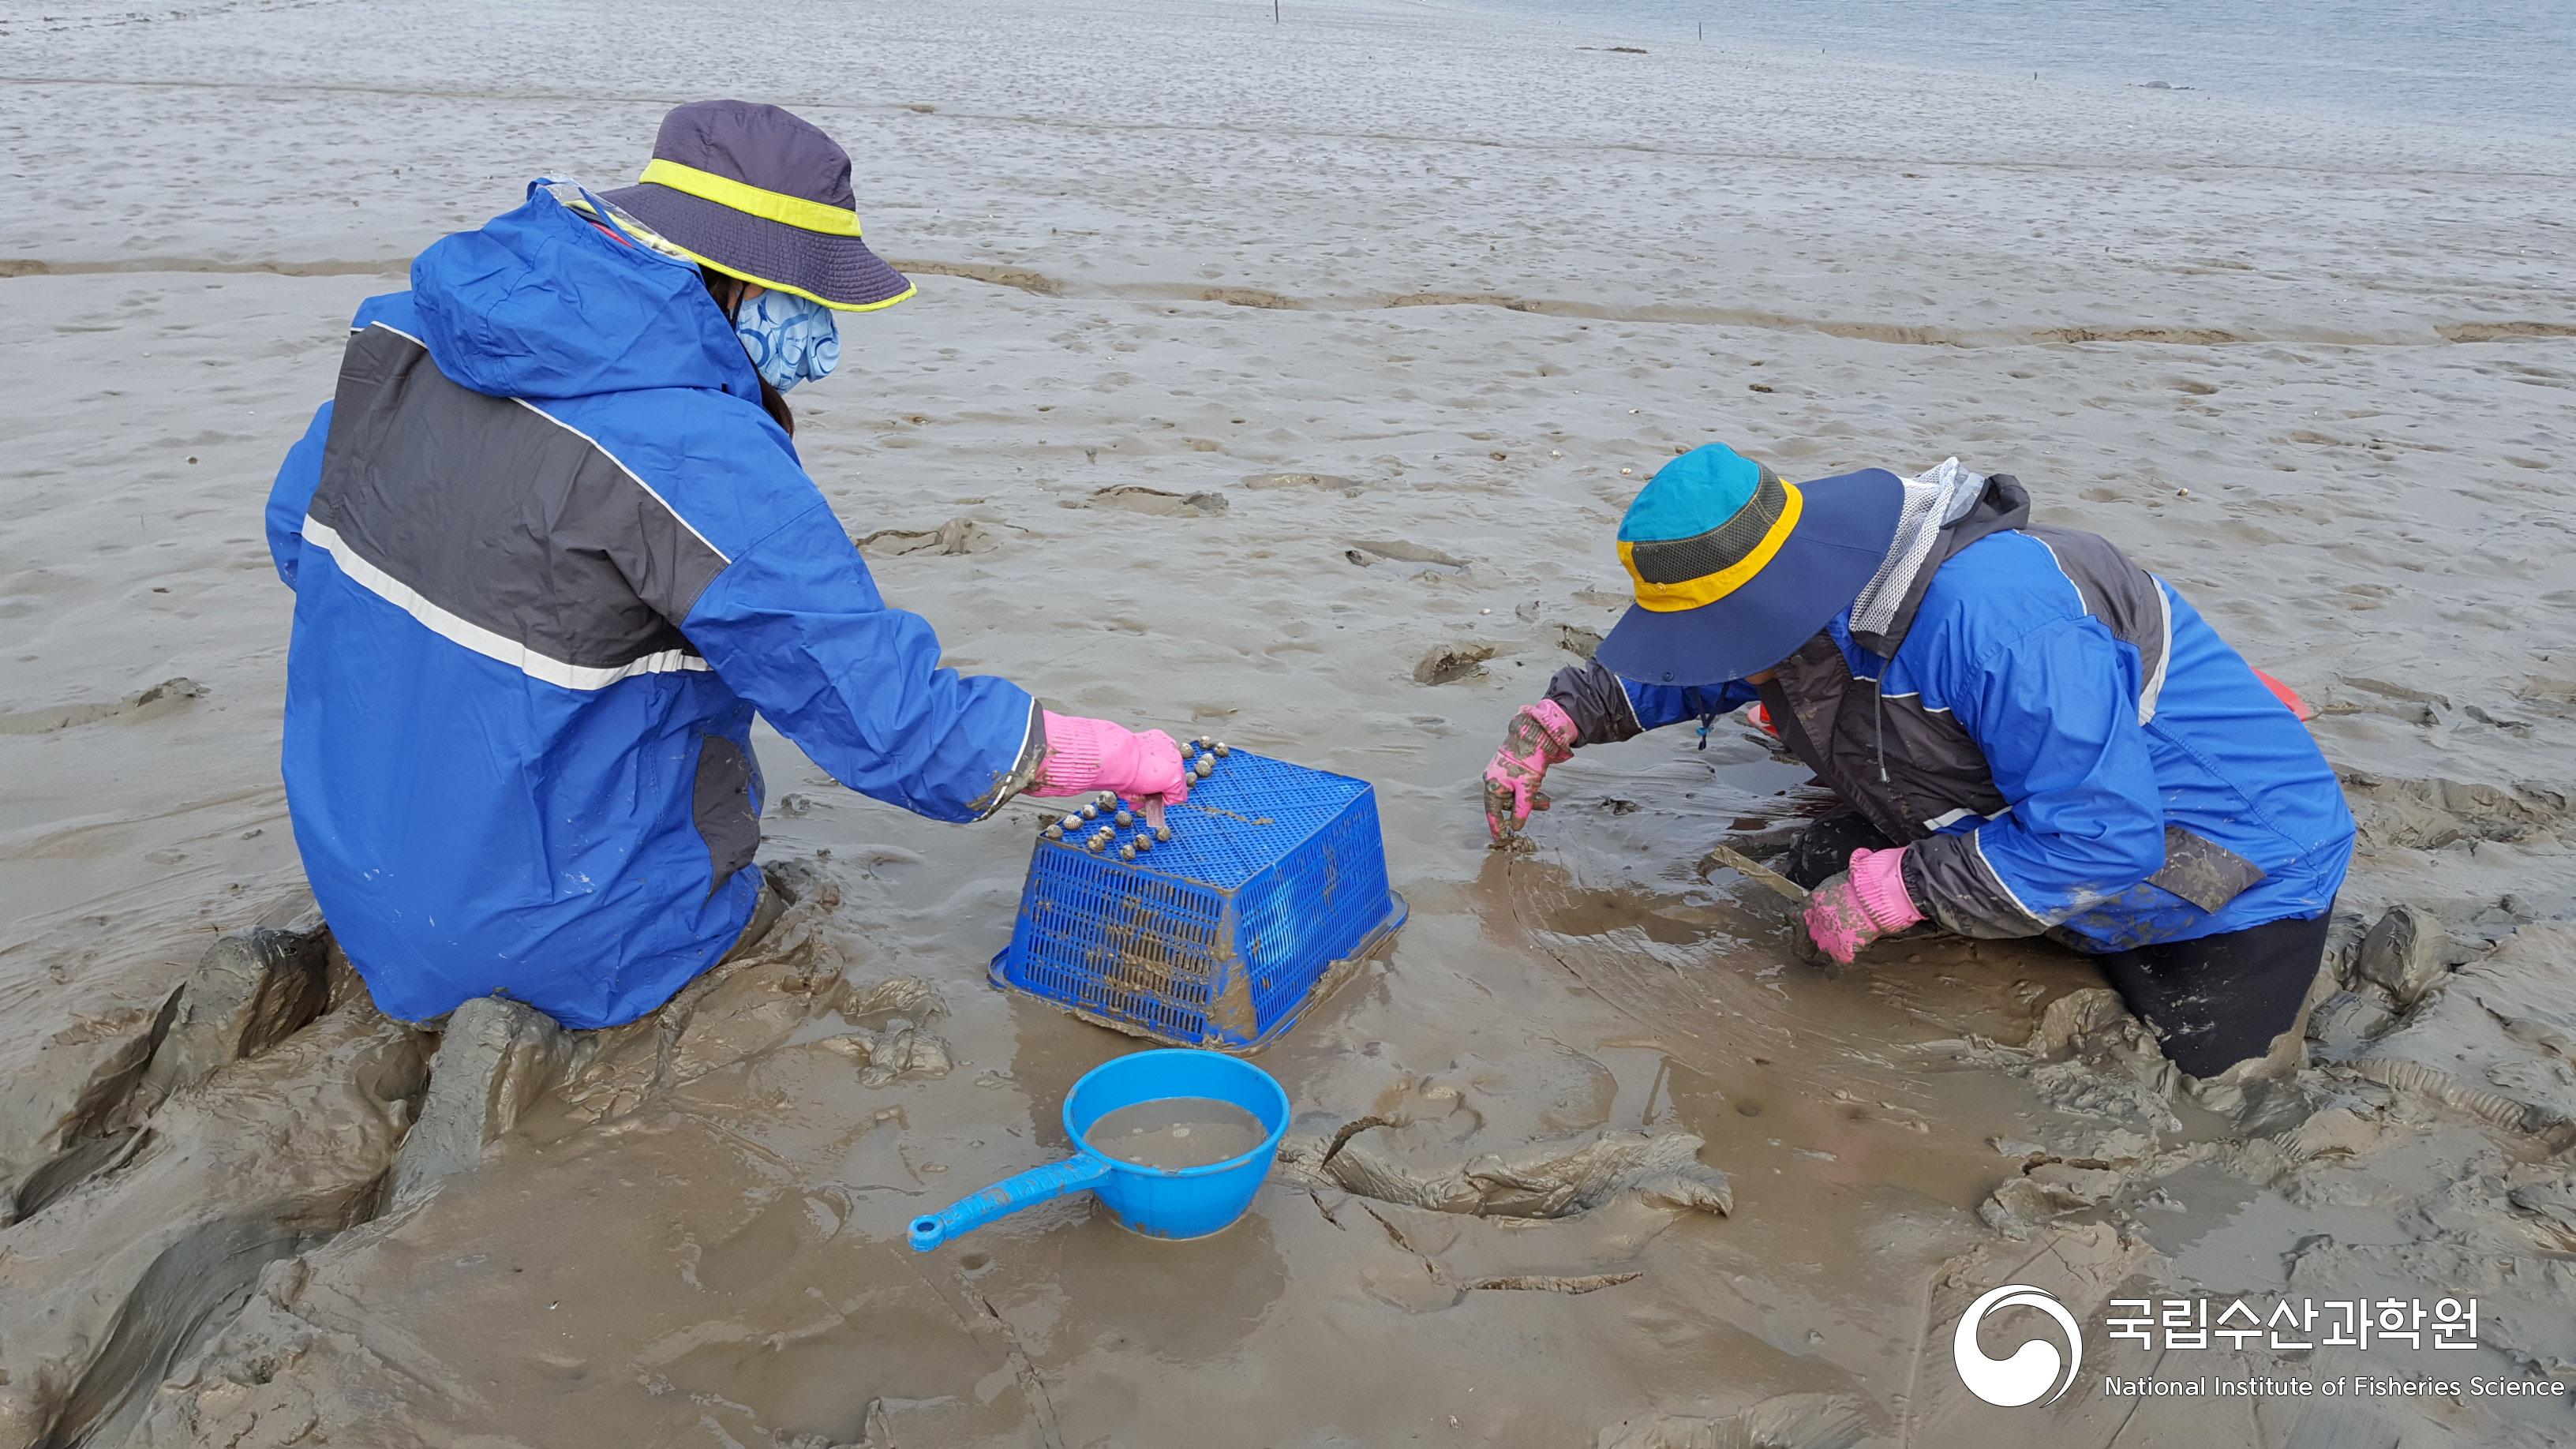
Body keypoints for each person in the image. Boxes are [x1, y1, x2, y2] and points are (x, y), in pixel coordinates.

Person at [265, 99, 1186, 1030]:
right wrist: (1096, 753)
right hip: (565, 945)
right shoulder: (702, 456)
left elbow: (293, 541)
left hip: (357, 875)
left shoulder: (400, 334)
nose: (823, 330)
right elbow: (893, 724)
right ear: (742, 281)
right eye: (813, 299)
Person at [1484, 444, 2355, 1078]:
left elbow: (2107, 837)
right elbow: (1706, 663)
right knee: (1812, 873)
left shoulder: (2001, 623)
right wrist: (1566, 715)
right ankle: (1990, 895)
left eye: (1721, 635)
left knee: (2213, 1070)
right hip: (2000, 804)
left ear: (1789, 592)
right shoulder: (1815, 579)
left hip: (2224, 856)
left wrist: (1900, 889)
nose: (1714, 659)